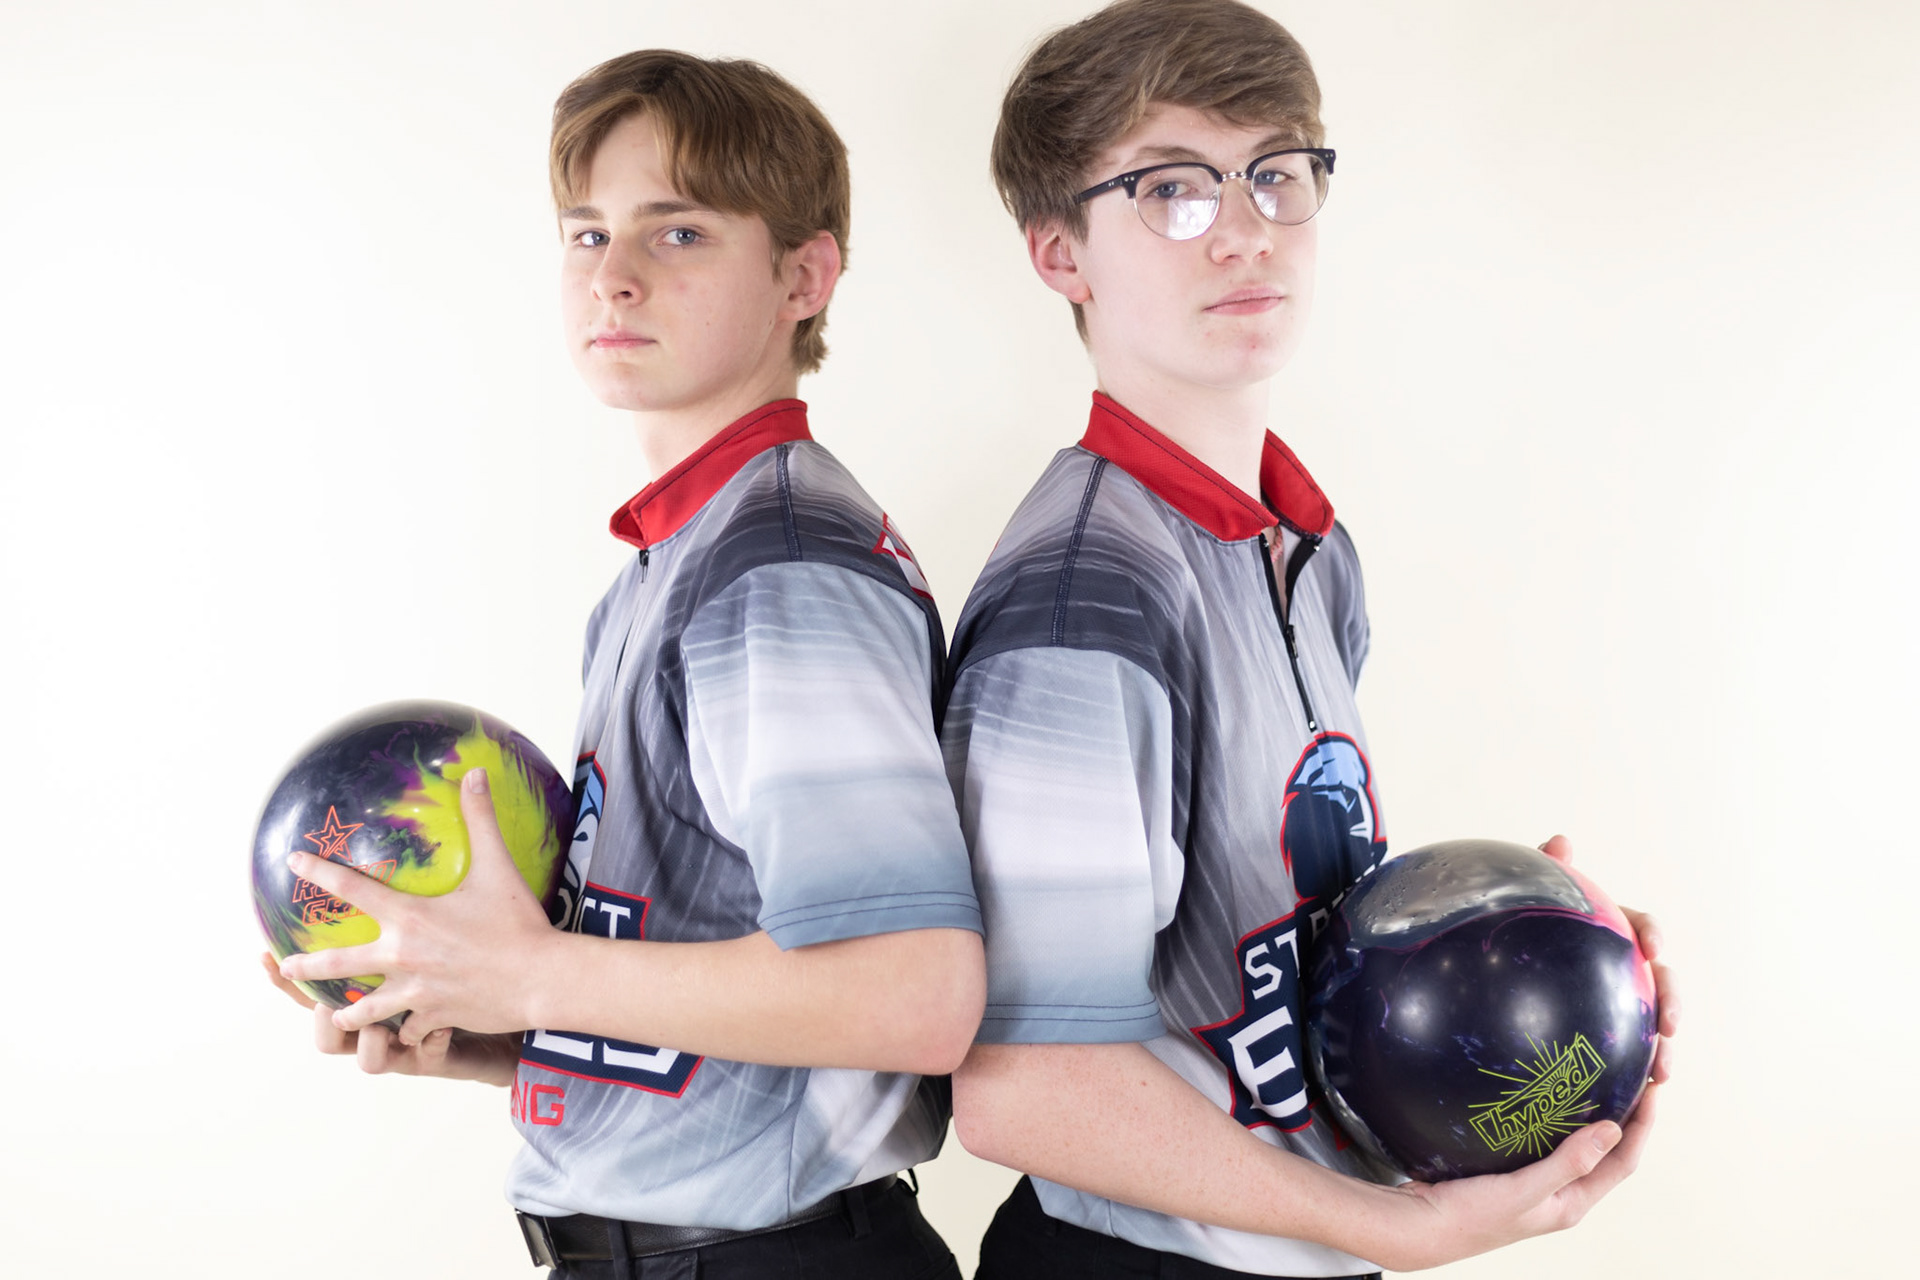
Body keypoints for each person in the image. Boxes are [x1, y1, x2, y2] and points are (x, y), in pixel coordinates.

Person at [940, 2, 1677, 1276]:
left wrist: (1504, 944)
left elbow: (1276, 931)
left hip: (1289, 1245)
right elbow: (1023, 1081)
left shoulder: (1306, 546)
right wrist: (1392, 1223)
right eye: (1171, 189)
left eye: (1277, 174)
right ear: (1061, 253)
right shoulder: (1081, 604)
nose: (1242, 229)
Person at [267, 49, 984, 1279]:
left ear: (802, 277)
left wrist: (531, 968)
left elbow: (910, 993)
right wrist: (497, 1019)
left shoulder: (782, 566)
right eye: (586, 233)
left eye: (682, 232)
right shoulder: (669, 564)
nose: (616, 275)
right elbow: (703, 973)